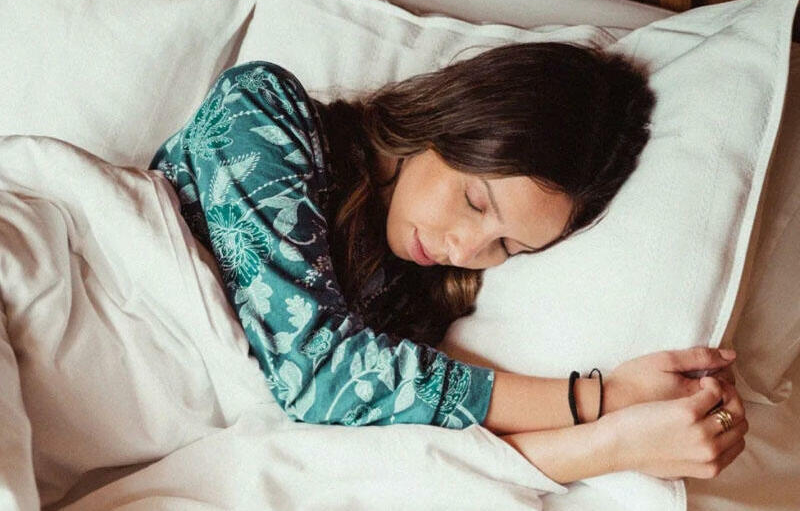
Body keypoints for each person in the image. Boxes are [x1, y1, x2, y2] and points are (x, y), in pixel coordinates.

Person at [149, 41, 747, 484]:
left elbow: (398, 465)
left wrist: (616, 445)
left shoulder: (406, 303)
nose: (465, 252)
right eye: (475, 202)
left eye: (506, 247)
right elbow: (319, 374)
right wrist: (601, 399)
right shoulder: (264, 110)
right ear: (449, 122)